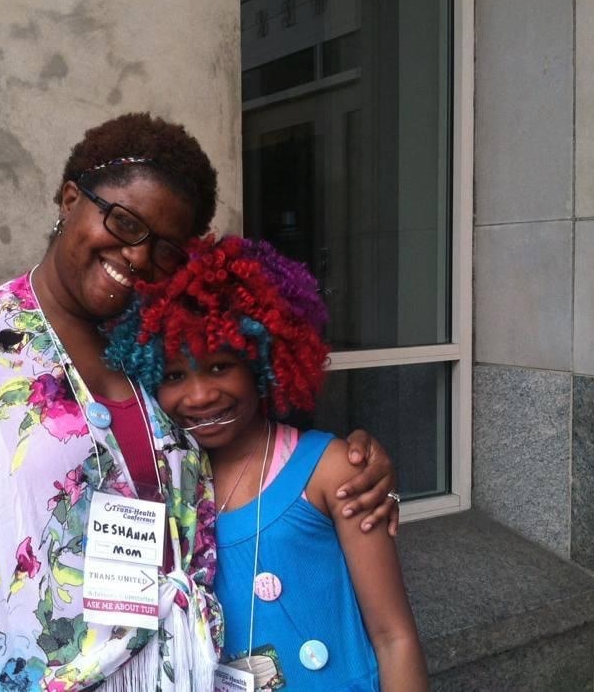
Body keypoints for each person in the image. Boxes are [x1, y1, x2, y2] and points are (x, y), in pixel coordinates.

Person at [0, 113, 398, 692]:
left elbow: (253, 439)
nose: (139, 257)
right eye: (124, 222)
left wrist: (356, 461)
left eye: (167, 249)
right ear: (70, 199)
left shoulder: (161, 345)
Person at [106, 235, 427, 691]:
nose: (199, 396)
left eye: (220, 366)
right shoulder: (169, 488)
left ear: (262, 363)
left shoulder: (332, 470)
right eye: (174, 375)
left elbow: (394, 637)